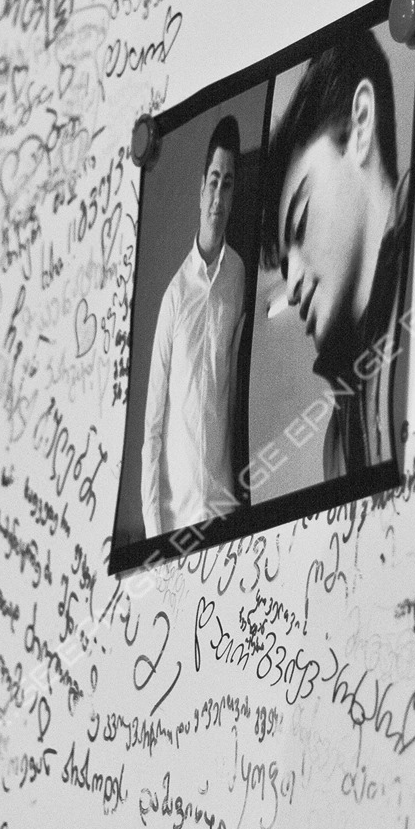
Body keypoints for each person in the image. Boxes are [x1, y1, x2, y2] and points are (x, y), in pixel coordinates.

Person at [260, 32, 413, 479]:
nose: (291, 287)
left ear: (360, 125)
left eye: (300, 222)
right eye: (284, 265)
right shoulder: (338, 440)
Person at [140, 116, 247, 537]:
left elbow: (235, 390)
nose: (219, 197)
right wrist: (155, 532)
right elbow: (152, 428)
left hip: (224, 510)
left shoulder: (239, 276)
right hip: (176, 523)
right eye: (214, 181)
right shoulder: (174, 297)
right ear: (201, 187)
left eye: (228, 185)